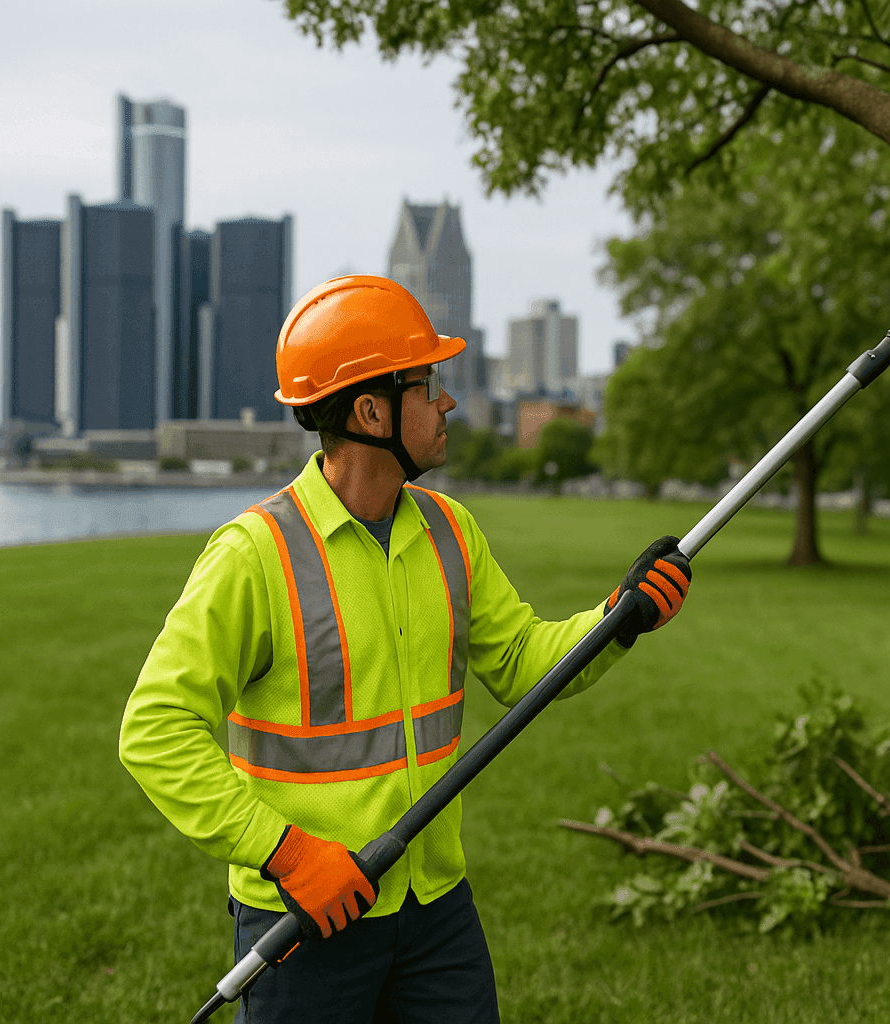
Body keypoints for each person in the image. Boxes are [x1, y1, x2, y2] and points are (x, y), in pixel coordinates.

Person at [119, 275, 692, 1023]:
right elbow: (155, 730)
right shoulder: (255, 555)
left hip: (435, 910)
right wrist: (289, 854)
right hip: (308, 917)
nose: (447, 402)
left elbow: (522, 661)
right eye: (428, 385)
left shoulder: (451, 531)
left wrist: (619, 619)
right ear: (370, 411)